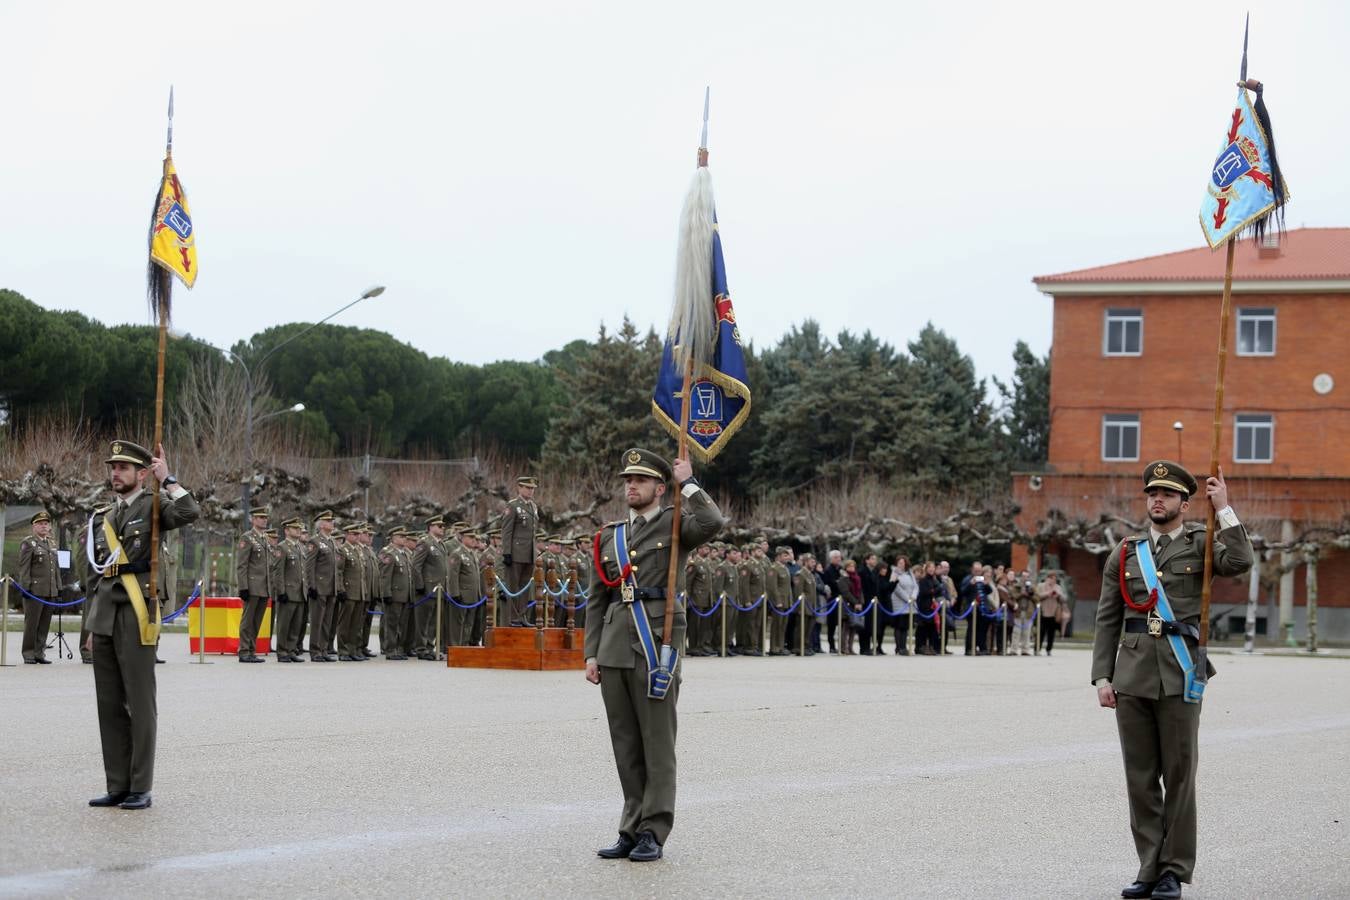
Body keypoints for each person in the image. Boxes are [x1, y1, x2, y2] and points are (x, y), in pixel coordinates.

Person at [1093, 460, 1253, 900]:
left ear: (1185, 502)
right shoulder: (1126, 552)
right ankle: (1149, 866)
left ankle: (1174, 870)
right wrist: (1102, 676)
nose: (1156, 500)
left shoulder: (1202, 543)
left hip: (1182, 674)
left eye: (1166, 494)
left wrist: (1224, 509)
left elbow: (1240, 560)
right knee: (1140, 778)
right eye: (1151, 494)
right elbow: (1107, 618)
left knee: (1180, 776)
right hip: (1133, 677)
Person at [585, 448, 723, 862]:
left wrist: (690, 482)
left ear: (660, 488)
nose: (631, 485)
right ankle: (630, 827)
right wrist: (590, 653)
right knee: (625, 744)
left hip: (655, 645)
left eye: (640, 480)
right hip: (613, 648)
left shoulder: (676, 522)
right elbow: (597, 598)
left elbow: (714, 522)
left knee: (657, 743)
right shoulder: (609, 535)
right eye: (628, 480)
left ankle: (654, 830)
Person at [84, 440, 199, 810]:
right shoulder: (103, 515)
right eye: (112, 467)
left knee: (139, 702)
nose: (115, 473)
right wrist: (88, 628)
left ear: (142, 473)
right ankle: (117, 784)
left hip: (135, 612)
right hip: (104, 615)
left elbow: (189, 511)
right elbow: (96, 575)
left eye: (123, 467)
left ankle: (140, 786)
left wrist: (169, 479)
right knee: (109, 705)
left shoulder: (154, 507)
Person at [16, 510, 59, 664]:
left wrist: (58, 588)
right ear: (33, 526)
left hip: (49, 590)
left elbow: (56, 568)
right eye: (40, 524)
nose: (43, 526)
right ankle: (28, 653)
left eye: (46, 524)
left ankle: (39, 653)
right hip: (34, 591)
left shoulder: (52, 543)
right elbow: (24, 568)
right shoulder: (28, 543)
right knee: (32, 624)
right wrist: (25, 588)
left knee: (44, 624)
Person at [498, 475, 539, 626]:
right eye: (527, 488)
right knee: (513, 587)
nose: (530, 491)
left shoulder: (533, 507)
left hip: (529, 553)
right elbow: (506, 531)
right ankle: (513, 617)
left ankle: (522, 616)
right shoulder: (513, 505)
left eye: (532, 489)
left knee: (525, 587)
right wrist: (507, 552)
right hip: (515, 552)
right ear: (519, 488)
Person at [235, 507, 273, 663]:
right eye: (260, 517)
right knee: (248, 620)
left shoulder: (264, 538)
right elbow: (242, 564)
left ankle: (251, 649)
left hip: (263, 586)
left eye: (265, 517)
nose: (264, 520)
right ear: (253, 520)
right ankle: (244, 650)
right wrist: (243, 586)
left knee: (257, 620)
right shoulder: (247, 538)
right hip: (251, 586)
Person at [305, 510, 341, 662]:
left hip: (331, 587)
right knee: (317, 621)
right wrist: (312, 586)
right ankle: (315, 651)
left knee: (327, 621)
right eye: (328, 520)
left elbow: (336, 568)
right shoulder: (314, 541)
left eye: (332, 520)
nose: (332, 523)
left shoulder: (332, 541)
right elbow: (310, 565)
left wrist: (337, 586)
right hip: (319, 587)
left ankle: (324, 649)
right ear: (321, 524)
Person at [274, 517, 308, 662]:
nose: (299, 530)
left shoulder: (301, 547)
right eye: (295, 528)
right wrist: (281, 591)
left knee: (296, 624)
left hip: (300, 592)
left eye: (299, 528)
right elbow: (278, 572)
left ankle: (291, 649)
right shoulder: (282, 547)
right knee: (284, 624)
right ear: (287, 530)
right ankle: (282, 651)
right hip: (288, 592)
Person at [888, 556, 918, 655]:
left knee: (905, 627)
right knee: (899, 626)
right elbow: (896, 588)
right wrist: (907, 598)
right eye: (900, 562)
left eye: (903, 562)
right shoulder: (894, 573)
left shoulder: (910, 573)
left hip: (910, 603)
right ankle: (899, 647)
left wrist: (913, 596)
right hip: (899, 603)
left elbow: (915, 586)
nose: (902, 564)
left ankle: (904, 647)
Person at [1036, 573, 1066, 656]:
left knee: (1051, 633)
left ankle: (1049, 649)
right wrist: (1048, 593)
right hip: (1043, 612)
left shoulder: (1058, 587)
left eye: (1054, 579)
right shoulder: (1041, 586)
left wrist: (1058, 595)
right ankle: (1037, 649)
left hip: (1054, 613)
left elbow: (1063, 598)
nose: (1053, 581)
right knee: (1041, 632)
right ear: (1047, 578)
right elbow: (1037, 596)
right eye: (1052, 578)